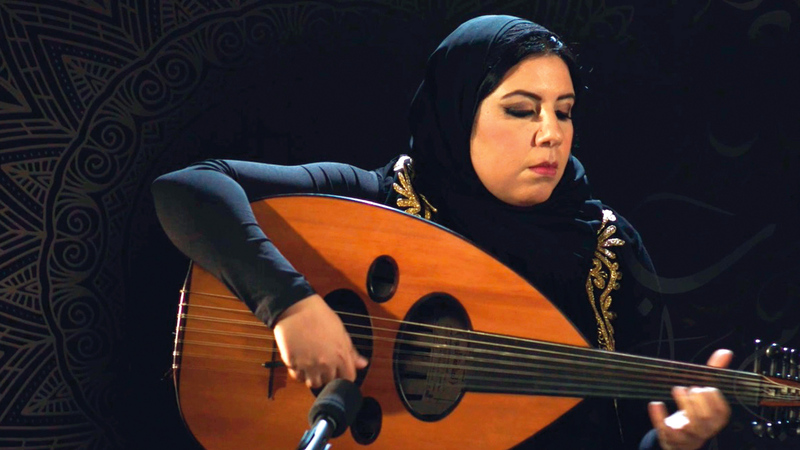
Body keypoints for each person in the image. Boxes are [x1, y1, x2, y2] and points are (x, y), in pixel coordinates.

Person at [152, 15, 731, 450]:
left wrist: (672, 443)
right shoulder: (380, 200)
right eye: (522, 110)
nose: (551, 133)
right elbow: (187, 189)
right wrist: (289, 306)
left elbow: (621, 429)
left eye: (564, 110)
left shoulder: (609, 250)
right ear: (458, 111)